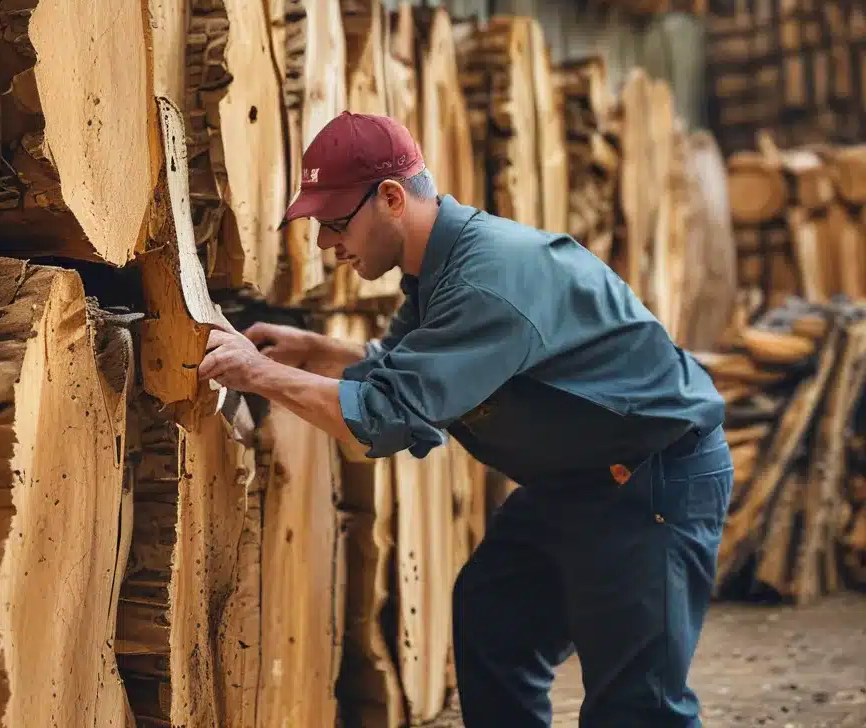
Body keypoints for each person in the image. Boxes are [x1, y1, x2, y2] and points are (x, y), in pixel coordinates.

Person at [198, 111, 733, 728]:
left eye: (335, 223)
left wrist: (254, 372)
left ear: (392, 198)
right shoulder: (440, 270)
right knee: (494, 616)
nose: (324, 243)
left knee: (637, 709)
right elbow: (409, 368)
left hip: (651, 480)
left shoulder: (488, 279)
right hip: (578, 480)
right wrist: (319, 350)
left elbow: (387, 414)